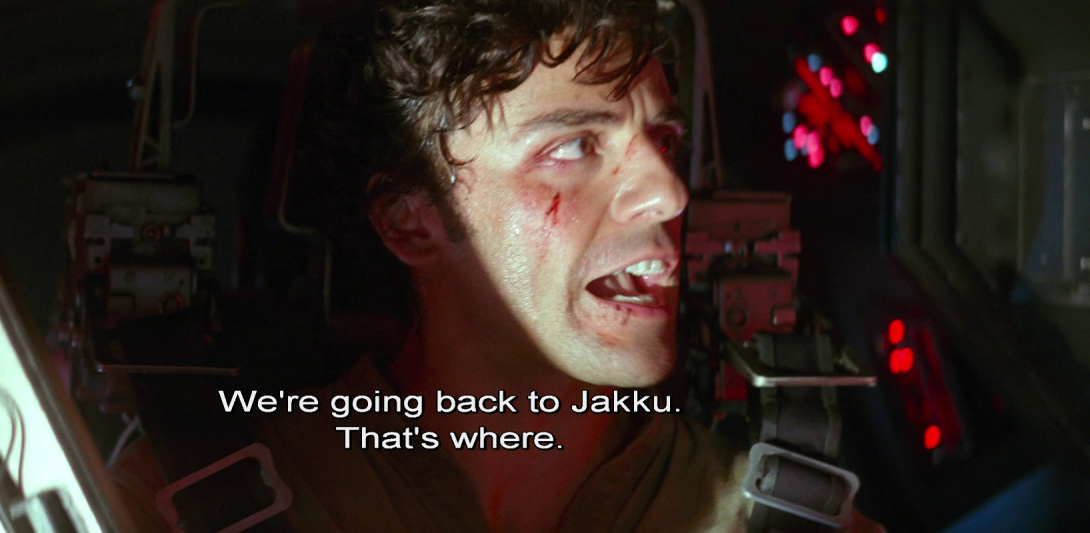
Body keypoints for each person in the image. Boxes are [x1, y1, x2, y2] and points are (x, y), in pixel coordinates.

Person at [110, 0, 774, 530]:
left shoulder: (770, 514)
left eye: (664, 140)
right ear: (409, 220)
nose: (669, 193)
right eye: (573, 146)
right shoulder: (172, 506)